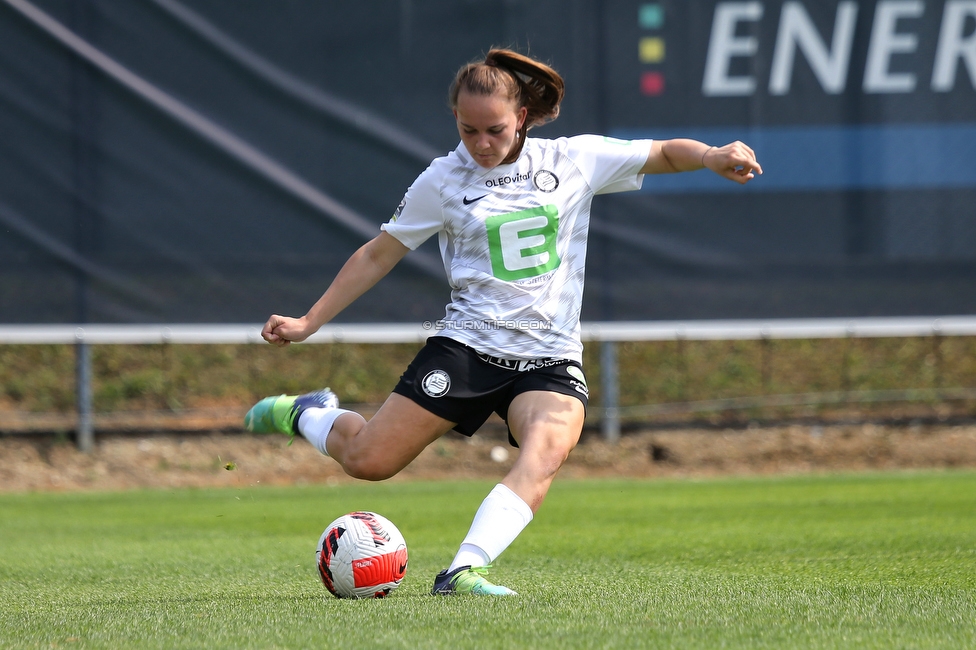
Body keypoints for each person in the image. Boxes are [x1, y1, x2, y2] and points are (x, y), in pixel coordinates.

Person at [244, 48, 762, 596]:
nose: (482, 143)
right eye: (469, 130)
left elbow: (662, 153)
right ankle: (309, 413)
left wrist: (709, 155)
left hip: (550, 355)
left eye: (494, 129)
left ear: (522, 118)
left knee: (549, 447)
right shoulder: (443, 178)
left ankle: (464, 570)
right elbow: (378, 254)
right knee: (369, 461)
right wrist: (308, 321)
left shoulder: (572, 160)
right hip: (467, 347)